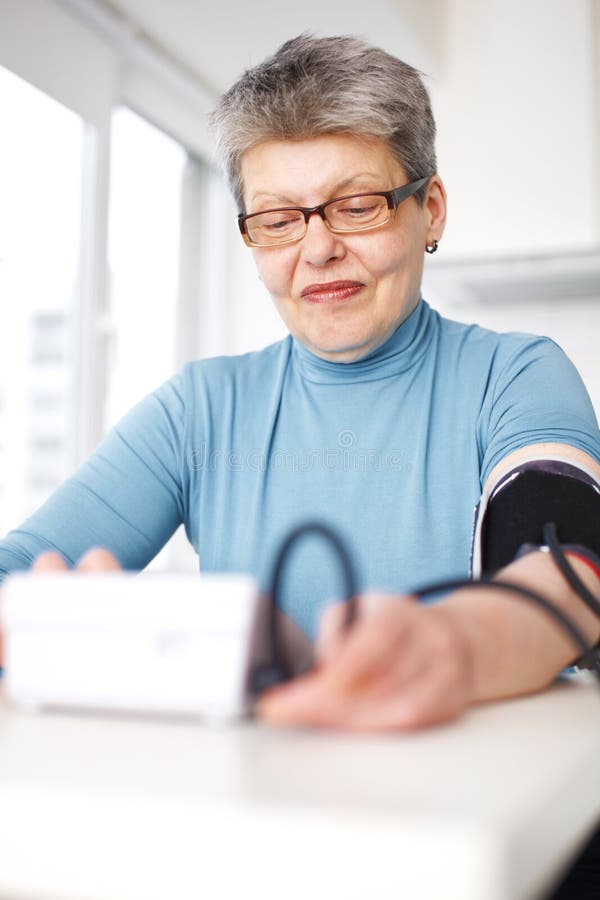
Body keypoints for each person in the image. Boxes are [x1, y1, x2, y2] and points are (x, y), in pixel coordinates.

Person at [0, 34, 599, 739]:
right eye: (279, 220)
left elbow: (567, 566)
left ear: (429, 208)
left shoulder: (517, 374)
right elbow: (19, 571)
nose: (317, 250)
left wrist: (445, 648)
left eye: (358, 206)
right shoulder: (201, 410)